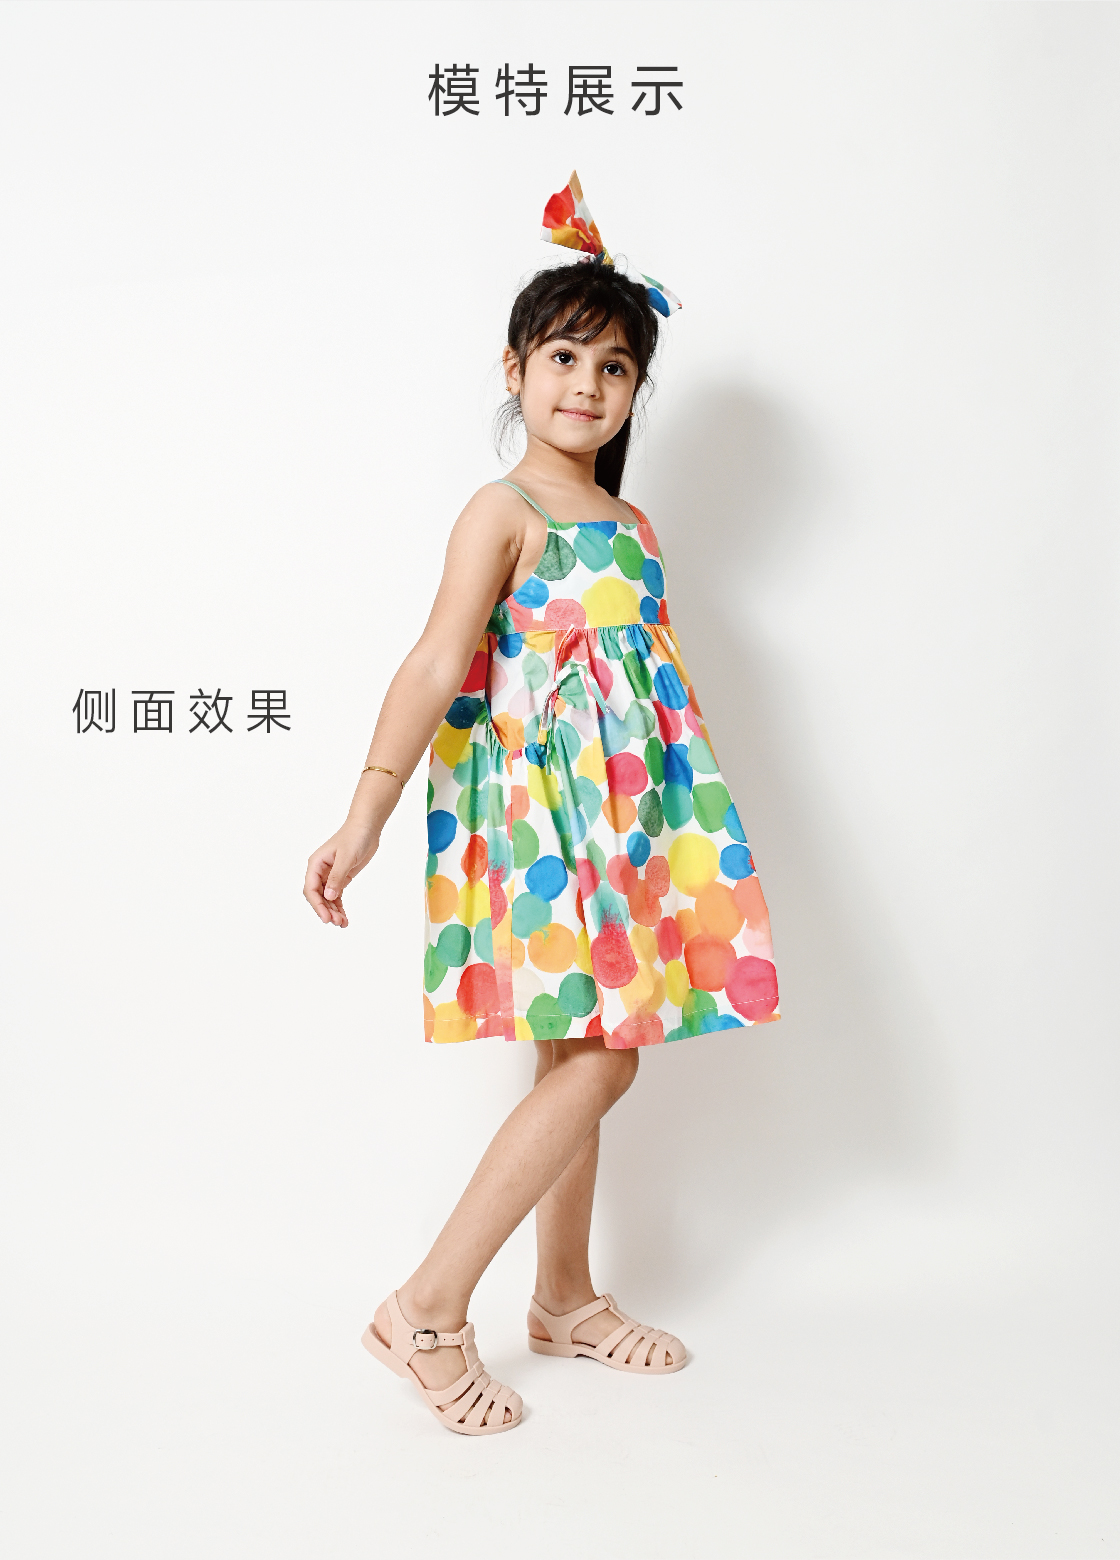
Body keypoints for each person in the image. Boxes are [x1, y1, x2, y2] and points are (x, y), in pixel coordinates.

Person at [303, 174, 780, 1437]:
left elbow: (642, 695)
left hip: (623, 830)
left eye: (615, 365)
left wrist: (675, 834)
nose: (587, 383)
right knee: (606, 1060)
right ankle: (424, 1308)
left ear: (635, 392)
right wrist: (366, 813)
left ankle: (564, 1298)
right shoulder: (502, 513)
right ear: (514, 371)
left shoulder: (633, 526)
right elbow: (434, 663)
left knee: (580, 1047)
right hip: (534, 827)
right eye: (563, 356)